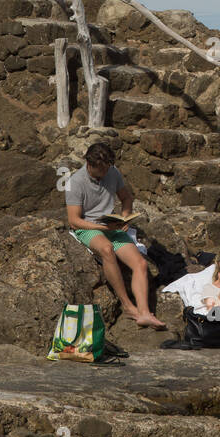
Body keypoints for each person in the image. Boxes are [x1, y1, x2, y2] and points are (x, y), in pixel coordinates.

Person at [65, 141, 165, 330]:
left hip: (111, 225)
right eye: (100, 170)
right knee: (107, 249)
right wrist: (104, 229)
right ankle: (128, 305)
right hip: (89, 227)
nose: (104, 174)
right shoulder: (75, 182)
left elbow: (126, 198)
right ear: (89, 163)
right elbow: (74, 220)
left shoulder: (113, 172)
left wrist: (125, 217)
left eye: (106, 169)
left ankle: (144, 312)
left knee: (141, 263)